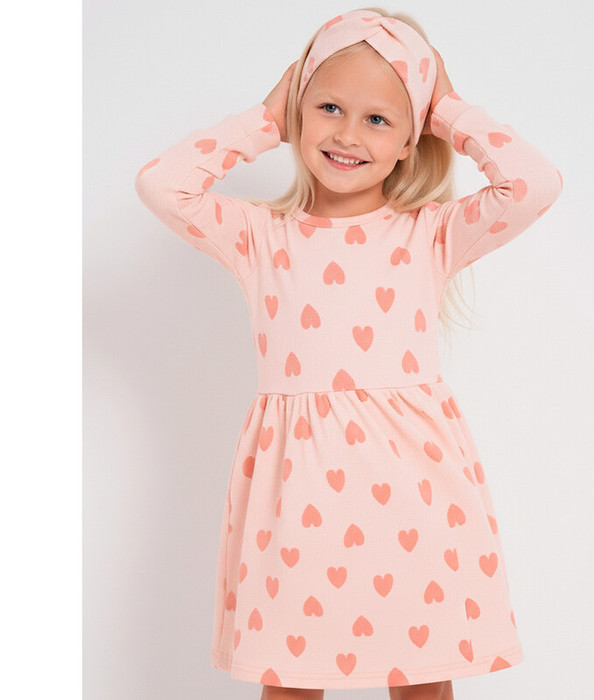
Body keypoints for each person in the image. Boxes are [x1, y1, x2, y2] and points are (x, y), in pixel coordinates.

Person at [134, 6, 563, 699]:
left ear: (411, 140)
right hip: (297, 498)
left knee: (422, 682)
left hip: (416, 495)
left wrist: (450, 110)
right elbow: (162, 184)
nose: (347, 134)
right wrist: (264, 119)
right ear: (299, 111)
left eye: (378, 119)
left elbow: (533, 185)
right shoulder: (259, 236)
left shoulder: (431, 234)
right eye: (329, 107)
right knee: (290, 680)